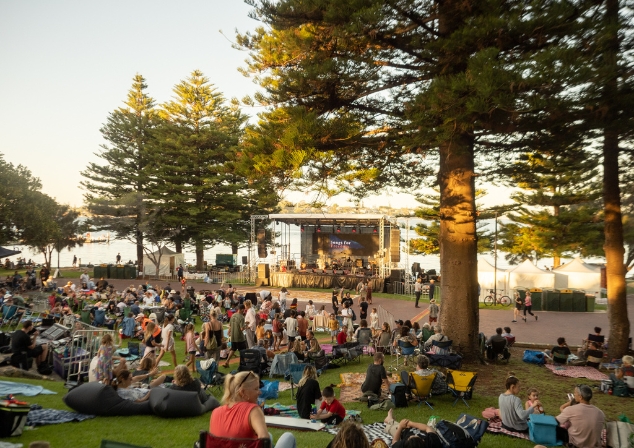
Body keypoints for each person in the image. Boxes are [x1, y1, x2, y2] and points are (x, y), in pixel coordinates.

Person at [209, 371, 296, 448]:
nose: (260, 392)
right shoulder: (253, 410)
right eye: (256, 389)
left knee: (269, 435)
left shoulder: (216, 412)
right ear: (243, 392)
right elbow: (264, 439)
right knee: (288, 437)